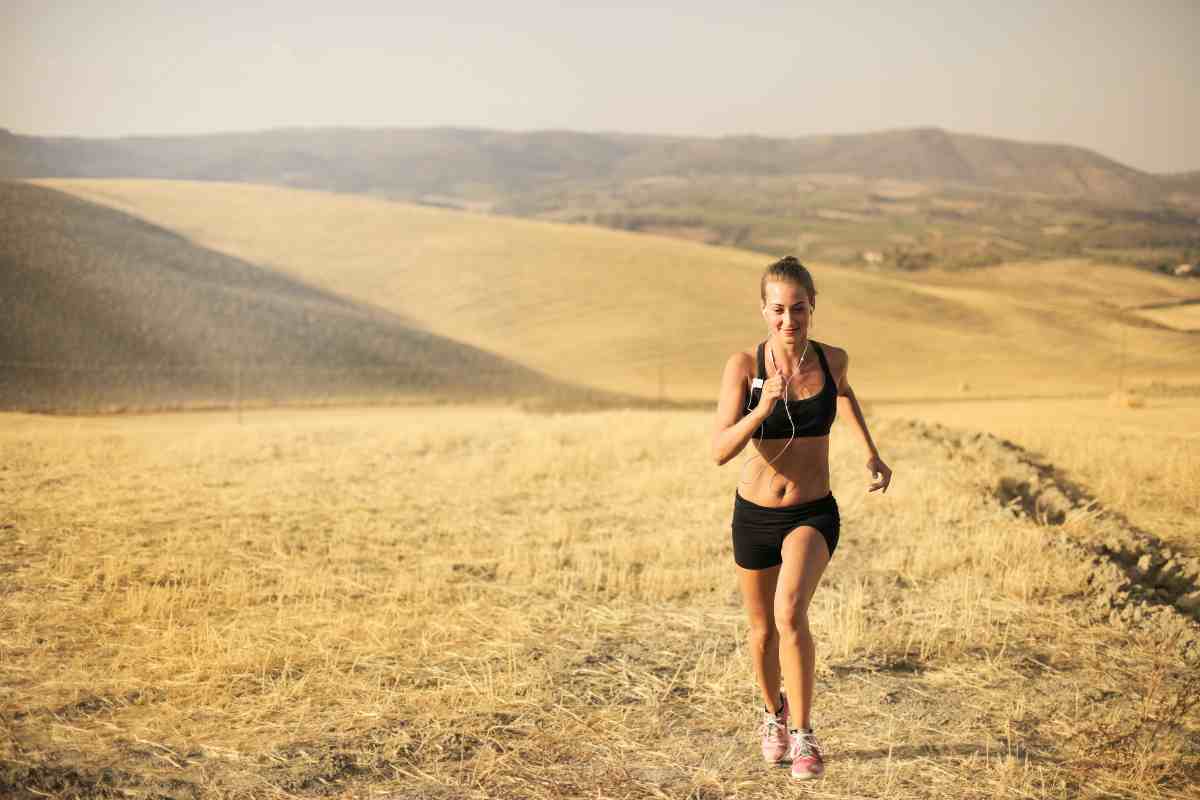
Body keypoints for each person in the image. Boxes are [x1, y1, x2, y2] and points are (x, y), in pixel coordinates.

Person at [711, 256, 891, 780]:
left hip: (813, 512)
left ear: (814, 307)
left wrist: (870, 453)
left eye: (799, 308)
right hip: (754, 516)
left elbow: (846, 397)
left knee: (791, 613)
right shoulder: (744, 366)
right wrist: (761, 410)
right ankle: (773, 716)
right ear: (763, 311)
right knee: (762, 629)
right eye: (779, 310)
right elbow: (719, 450)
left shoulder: (833, 360)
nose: (789, 320)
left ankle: (805, 734)